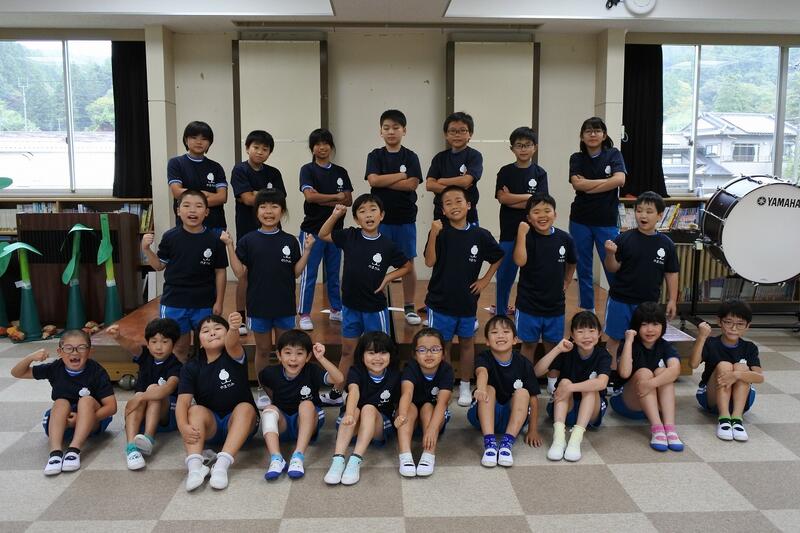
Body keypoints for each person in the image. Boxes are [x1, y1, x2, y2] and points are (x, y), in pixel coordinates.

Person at [222, 189, 314, 408]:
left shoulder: (290, 241)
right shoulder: (248, 240)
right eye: (263, 207)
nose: (268, 211)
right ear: (257, 212)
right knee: (263, 350)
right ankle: (264, 389)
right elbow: (239, 272)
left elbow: (296, 272)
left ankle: (284, 389)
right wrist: (230, 246)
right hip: (259, 306)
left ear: (282, 211)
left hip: (285, 306)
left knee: (285, 349)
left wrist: (307, 251)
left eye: (274, 206)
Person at [317, 194, 411, 406]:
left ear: (382, 215)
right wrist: (335, 215)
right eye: (362, 211)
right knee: (348, 351)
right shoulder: (350, 235)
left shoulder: (388, 245)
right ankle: (337, 392)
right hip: (350, 307)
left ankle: (383, 394)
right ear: (356, 219)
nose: (368, 215)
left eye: (373, 210)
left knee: (380, 352)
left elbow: (407, 266)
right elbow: (323, 234)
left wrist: (387, 278)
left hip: (374, 309)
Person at [424, 185, 504, 407]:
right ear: (442, 210)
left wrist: (485, 279)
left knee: (467, 343)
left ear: (469, 205)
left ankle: (466, 385)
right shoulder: (440, 232)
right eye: (448, 203)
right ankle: (446, 384)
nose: (454, 206)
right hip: (440, 302)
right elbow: (429, 261)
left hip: (467, 301)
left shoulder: (481, 235)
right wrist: (433, 233)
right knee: (443, 345)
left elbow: (498, 256)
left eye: (458, 201)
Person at [11, 330, 117, 476]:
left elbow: (111, 407)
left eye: (81, 347)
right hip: (63, 422)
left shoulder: (96, 371)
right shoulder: (55, 368)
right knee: (60, 402)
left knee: (86, 400)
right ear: (60, 352)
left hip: (92, 420)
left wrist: (81, 419)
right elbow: (17, 373)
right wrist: (30, 357)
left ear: (90, 351)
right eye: (68, 348)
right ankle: (55, 453)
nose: (75, 352)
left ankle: (74, 449)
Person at [141, 189, 228, 361]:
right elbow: (159, 266)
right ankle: (179, 377)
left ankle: (203, 376)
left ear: (206, 212)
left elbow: (220, 271)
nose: (192, 210)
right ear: (178, 211)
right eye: (187, 205)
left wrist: (219, 301)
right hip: (175, 301)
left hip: (204, 301)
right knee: (179, 347)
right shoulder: (170, 237)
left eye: (198, 206)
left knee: (207, 346)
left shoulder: (214, 238)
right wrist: (145, 249)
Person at [176, 313, 258, 491]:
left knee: (245, 408)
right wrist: (183, 426)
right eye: (206, 331)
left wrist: (234, 328)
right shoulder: (191, 366)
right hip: (211, 425)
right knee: (194, 410)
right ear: (199, 339)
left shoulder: (233, 354)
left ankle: (221, 466)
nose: (212, 333)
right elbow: (183, 402)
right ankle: (195, 468)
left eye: (218, 328)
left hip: (240, 424)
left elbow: (232, 343)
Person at [604, 191, 679, 364]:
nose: (643, 215)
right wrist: (610, 254)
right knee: (615, 339)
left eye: (649, 211)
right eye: (639, 211)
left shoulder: (666, 244)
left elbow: (671, 273)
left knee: (646, 340)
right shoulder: (624, 239)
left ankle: (640, 371)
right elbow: (612, 267)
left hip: (648, 304)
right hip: (620, 300)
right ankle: (610, 374)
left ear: (660, 215)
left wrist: (672, 300)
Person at [259, 330, 344, 480]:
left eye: (299, 353)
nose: (293, 358)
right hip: (283, 423)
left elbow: (339, 378)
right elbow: (263, 382)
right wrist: (273, 402)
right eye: (288, 353)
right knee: (269, 409)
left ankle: (298, 457)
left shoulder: (312, 370)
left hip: (308, 421)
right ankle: (276, 458)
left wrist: (321, 358)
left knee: (306, 405)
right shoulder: (270, 373)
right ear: (279, 355)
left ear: (308, 356)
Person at [366, 109, 424, 325]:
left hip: (405, 219)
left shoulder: (411, 156)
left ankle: (409, 306)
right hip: (379, 220)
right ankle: (376, 302)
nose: (391, 132)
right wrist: (401, 175)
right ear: (380, 131)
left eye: (396, 128)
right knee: (376, 263)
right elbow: (373, 181)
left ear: (404, 130)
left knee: (407, 263)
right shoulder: (375, 155)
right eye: (386, 128)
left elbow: (412, 184)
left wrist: (385, 180)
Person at [324, 332, 401, 486]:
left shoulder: (395, 375)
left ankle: (355, 460)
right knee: (357, 409)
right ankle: (338, 459)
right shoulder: (356, 371)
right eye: (371, 353)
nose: (377, 358)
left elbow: (401, 401)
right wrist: (349, 414)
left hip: (378, 426)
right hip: (352, 423)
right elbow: (354, 391)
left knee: (368, 408)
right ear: (362, 354)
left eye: (383, 352)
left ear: (391, 355)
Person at [106, 318, 183, 470]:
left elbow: (168, 388)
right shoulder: (145, 356)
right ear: (147, 344)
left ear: (173, 344)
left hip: (166, 414)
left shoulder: (176, 365)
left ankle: (148, 439)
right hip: (142, 410)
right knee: (142, 395)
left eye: (165, 342)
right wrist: (118, 337)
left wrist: (141, 396)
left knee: (153, 390)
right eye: (153, 342)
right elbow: (132, 346)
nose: (158, 347)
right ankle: (131, 449)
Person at [230, 129, 286, 335]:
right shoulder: (240, 170)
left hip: (273, 231)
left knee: (273, 273)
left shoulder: (274, 173)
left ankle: (270, 313)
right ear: (247, 148)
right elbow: (246, 199)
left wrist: (256, 194)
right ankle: (241, 317)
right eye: (256, 147)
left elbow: (280, 199)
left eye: (265, 149)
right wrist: (265, 195)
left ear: (269, 152)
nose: (260, 152)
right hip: (247, 230)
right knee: (244, 275)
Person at [467, 316, 543, 468]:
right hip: (484, 416)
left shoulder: (523, 363)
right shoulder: (484, 357)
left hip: (513, 418)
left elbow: (533, 398)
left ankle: (506, 444)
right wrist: (481, 388)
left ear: (515, 340)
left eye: (506, 332)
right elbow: (482, 372)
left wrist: (533, 430)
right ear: (487, 341)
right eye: (494, 332)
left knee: (523, 392)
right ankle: (489, 444)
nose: (500, 336)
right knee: (489, 389)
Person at [568, 116, 626, 313]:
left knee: (612, 267)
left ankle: (618, 308)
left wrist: (588, 186)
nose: (593, 134)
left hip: (606, 221)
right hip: (580, 220)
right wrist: (606, 182)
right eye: (588, 131)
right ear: (582, 136)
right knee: (583, 267)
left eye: (597, 130)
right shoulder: (577, 158)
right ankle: (588, 310)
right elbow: (577, 184)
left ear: (604, 135)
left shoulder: (613, 154)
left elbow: (620, 180)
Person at [298, 128, 354, 331]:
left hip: (335, 232)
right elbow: (310, 197)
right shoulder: (308, 170)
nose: (322, 147)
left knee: (333, 273)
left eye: (326, 143)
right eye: (317, 144)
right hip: (312, 231)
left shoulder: (341, 172)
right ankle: (304, 313)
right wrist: (335, 197)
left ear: (331, 146)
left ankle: (336, 309)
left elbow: (348, 200)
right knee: (309, 274)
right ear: (312, 148)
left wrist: (324, 198)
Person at [535, 311, 610, 462]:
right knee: (564, 382)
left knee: (589, 388)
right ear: (572, 335)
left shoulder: (603, 355)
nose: (586, 336)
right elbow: (536, 372)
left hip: (591, 412)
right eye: (580, 331)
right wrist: (557, 349)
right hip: (564, 409)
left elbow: (602, 383)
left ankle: (575, 440)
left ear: (599, 333)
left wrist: (571, 387)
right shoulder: (567, 352)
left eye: (591, 331)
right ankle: (558, 438)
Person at [512, 193, 576, 368]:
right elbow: (519, 261)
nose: (542, 215)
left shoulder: (565, 238)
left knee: (553, 346)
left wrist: (567, 280)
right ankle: (526, 378)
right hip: (528, 304)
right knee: (528, 345)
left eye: (547, 211)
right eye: (536, 212)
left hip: (555, 305)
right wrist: (521, 234)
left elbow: (572, 262)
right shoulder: (526, 237)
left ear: (555, 214)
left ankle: (552, 381)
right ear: (528, 218)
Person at [610, 302, 683, 451]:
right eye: (644, 324)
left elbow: (675, 370)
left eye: (655, 324)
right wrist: (629, 341)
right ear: (636, 326)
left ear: (663, 326)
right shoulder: (629, 344)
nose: (650, 329)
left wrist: (650, 384)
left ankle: (670, 428)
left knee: (664, 373)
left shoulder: (665, 346)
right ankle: (657, 428)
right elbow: (624, 373)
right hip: (627, 403)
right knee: (645, 372)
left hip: (654, 403)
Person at [690, 300, 764, 442]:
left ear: (747, 326)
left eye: (740, 324)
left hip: (742, 402)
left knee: (741, 368)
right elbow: (693, 364)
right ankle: (724, 418)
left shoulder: (749, 347)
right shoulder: (711, 343)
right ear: (719, 322)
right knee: (724, 365)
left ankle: (737, 419)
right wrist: (702, 337)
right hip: (711, 399)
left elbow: (760, 377)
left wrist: (736, 375)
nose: (733, 328)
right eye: (728, 322)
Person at [494, 126, 549, 316]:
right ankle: (501, 314)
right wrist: (528, 198)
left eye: (527, 145)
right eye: (519, 145)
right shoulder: (505, 172)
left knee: (532, 276)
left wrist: (514, 199)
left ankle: (528, 312)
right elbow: (502, 198)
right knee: (504, 276)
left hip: (535, 233)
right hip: (509, 232)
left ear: (535, 147)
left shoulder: (540, 173)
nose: (523, 149)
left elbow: (539, 204)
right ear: (512, 149)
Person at [394, 327, 454, 477]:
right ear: (414, 354)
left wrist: (432, 429)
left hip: (434, 420)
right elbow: (407, 393)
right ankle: (405, 454)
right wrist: (402, 415)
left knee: (428, 407)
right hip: (411, 421)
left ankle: (428, 454)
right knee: (409, 407)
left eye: (435, 349)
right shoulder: (410, 368)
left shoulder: (446, 370)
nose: (428, 354)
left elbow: (442, 403)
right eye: (422, 350)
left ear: (443, 353)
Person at [167, 120, 228, 231]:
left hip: (215, 225)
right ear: (186, 140)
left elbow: (222, 197)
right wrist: (206, 194)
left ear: (210, 143)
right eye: (194, 137)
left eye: (204, 139)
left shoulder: (216, 167)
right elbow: (177, 192)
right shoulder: (176, 163)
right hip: (186, 226)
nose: (199, 142)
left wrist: (191, 201)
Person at [425, 111, 483, 224]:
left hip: (468, 214)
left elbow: (466, 181)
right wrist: (459, 189)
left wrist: (441, 181)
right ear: (446, 134)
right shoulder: (439, 158)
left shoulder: (474, 156)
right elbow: (430, 185)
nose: (457, 135)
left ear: (470, 134)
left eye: (462, 130)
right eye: (452, 131)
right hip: (442, 213)